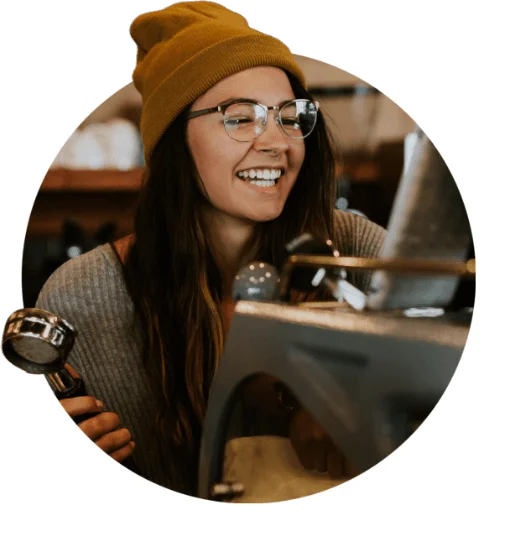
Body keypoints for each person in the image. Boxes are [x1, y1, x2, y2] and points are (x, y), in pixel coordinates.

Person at [35, 0, 387, 497]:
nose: (277, 142)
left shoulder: (358, 250)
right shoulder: (83, 295)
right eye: (240, 118)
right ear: (174, 141)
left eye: (290, 117)